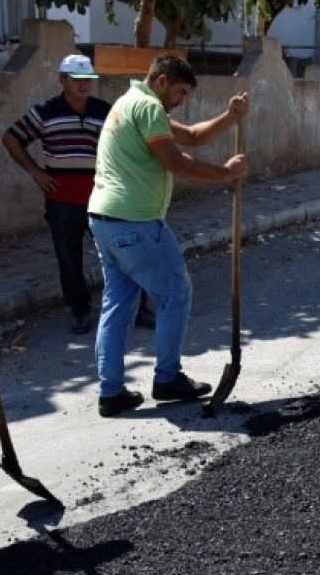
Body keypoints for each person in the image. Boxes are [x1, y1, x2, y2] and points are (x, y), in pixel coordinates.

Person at [88, 55, 248, 418]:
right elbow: (175, 160)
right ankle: (168, 378)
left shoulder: (130, 103)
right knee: (175, 291)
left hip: (104, 218)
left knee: (118, 304)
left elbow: (193, 136)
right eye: (179, 91)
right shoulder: (147, 107)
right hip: (134, 222)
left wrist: (230, 116)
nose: (181, 100)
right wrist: (225, 173)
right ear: (161, 81)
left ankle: (110, 392)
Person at [2, 54, 154, 335]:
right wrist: (35, 171)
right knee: (69, 259)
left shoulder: (104, 111)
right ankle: (80, 310)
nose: (84, 84)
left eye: (88, 80)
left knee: (122, 254)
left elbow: (127, 143)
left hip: (104, 197)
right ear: (62, 80)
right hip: (62, 200)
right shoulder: (45, 111)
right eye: (78, 79)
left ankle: (137, 309)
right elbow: (11, 138)